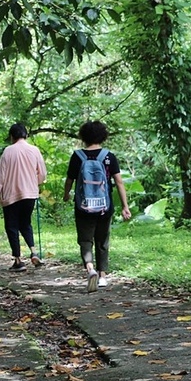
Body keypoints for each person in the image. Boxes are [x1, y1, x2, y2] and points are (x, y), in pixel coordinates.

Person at [62, 120, 132, 292]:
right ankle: (102, 277)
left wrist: (66, 195)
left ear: (83, 137)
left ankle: (90, 268)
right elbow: (119, 182)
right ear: (102, 136)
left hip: (83, 206)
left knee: (85, 239)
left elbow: (70, 180)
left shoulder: (77, 156)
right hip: (104, 206)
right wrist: (125, 206)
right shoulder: (109, 156)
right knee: (102, 241)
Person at [0, 123, 48, 272]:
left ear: (11, 137)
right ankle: (34, 252)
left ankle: (18, 260)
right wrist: (36, 183)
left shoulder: (8, 151)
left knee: (11, 226)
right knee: (25, 223)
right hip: (30, 194)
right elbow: (42, 174)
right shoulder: (34, 150)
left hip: (11, 195)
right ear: (25, 135)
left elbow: (0, 176)